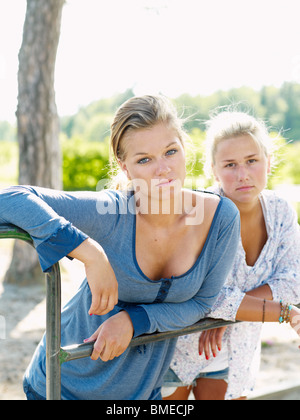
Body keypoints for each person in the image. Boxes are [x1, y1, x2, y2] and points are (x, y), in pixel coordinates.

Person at [0, 95, 240, 400]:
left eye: (170, 151)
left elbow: (201, 304)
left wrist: (134, 320)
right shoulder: (111, 212)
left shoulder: (220, 217)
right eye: (144, 159)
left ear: (184, 148)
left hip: (142, 394)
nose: (163, 169)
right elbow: (9, 198)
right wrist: (89, 252)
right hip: (64, 385)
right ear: (124, 167)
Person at [162, 110, 300, 401]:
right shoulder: (200, 213)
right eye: (230, 165)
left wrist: (229, 316)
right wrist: (233, 308)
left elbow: (293, 282)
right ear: (214, 170)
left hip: (236, 353)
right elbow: (206, 297)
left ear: (268, 162)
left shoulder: (281, 211)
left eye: (252, 161)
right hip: (179, 347)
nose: (243, 174)